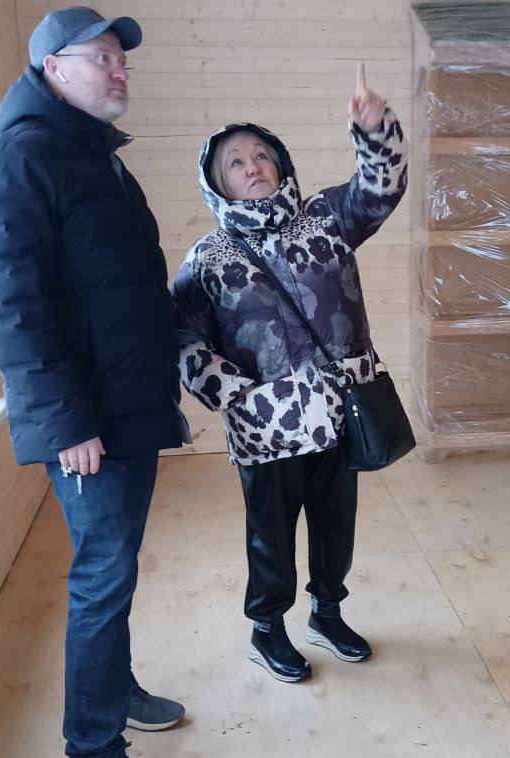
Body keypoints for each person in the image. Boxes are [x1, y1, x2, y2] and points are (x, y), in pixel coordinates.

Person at [0, 6, 189, 758]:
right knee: (102, 575)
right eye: (100, 56)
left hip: (127, 404)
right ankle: (91, 753)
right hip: (87, 421)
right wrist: (65, 423)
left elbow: (117, 286)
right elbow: (10, 307)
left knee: (116, 567)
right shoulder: (16, 161)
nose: (118, 69)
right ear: (52, 69)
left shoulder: (93, 157)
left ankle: (115, 688)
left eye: (121, 58)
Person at [172, 63, 408, 683]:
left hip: (339, 412)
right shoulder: (207, 259)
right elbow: (182, 337)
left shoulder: (327, 218)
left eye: (261, 155)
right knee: (270, 537)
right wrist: (235, 393)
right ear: (218, 184)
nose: (252, 166)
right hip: (267, 426)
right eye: (235, 163)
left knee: (336, 527)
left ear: (280, 164)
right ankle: (267, 629)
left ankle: (327, 614)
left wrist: (375, 129)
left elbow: (380, 187)